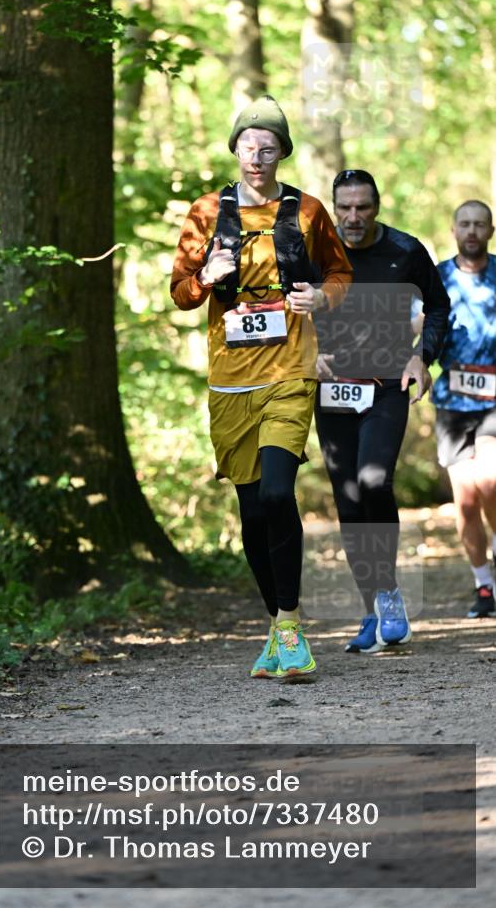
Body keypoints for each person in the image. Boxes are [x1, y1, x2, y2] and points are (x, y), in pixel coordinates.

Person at [170, 95, 352, 679]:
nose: (257, 156)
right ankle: (278, 623)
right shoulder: (204, 213)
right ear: (236, 150)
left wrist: (322, 297)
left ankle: (292, 625)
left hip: (291, 369)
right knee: (251, 512)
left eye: (268, 147)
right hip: (229, 381)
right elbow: (178, 291)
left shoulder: (307, 211)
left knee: (277, 494)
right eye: (249, 146)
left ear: (281, 153)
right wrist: (205, 277)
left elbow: (339, 272)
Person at [314, 170, 450, 654]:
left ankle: (389, 593)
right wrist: (308, 351)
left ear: (376, 206)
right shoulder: (317, 251)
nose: (354, 217)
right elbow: (290, 310)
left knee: (373, 482)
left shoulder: (405, 251)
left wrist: (421, 355)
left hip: (387, 386)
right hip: (331, 392)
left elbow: (438, 306)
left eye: (363, 207)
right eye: (345, 207)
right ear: (334, 207)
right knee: (349, 502)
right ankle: (372, 607)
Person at [432, 200, 496, 617]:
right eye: (464, 224)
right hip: (452, 400)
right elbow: (420, 329)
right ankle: (483, 586)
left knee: (491, 482)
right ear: (454, 230)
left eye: (479, 225)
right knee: (467, 499)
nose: (471, 231)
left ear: (490, 231)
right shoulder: (437, 277)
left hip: (495, 396)